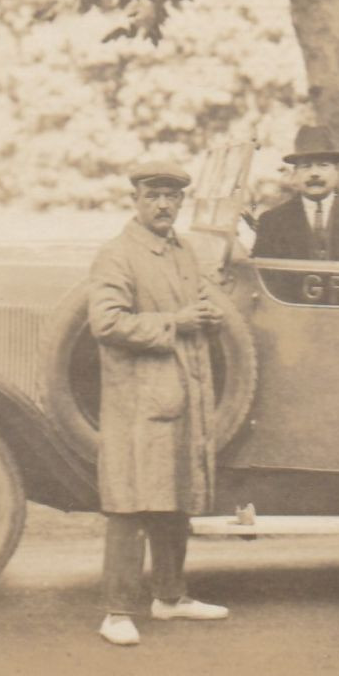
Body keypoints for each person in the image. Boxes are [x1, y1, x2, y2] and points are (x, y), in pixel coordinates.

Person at [89, 161, 230, 647]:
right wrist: (177, 321)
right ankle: (116, 612)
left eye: (172, 197)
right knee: (129, 502)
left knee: (174, 497)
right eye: (154, 196)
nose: (165, 205)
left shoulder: (183, 251)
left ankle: (170, 598)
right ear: (136, 201)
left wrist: (206, 314)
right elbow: (106, 323)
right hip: (136, 397)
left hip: (180, 391)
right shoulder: (117, 255)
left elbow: (196, 304)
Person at [249, 126, 339, 261]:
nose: (314, 173)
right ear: (296, 173)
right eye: (306, 166)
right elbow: (259, 275)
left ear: (337, 171)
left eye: (323, 165)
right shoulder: (272, 221)